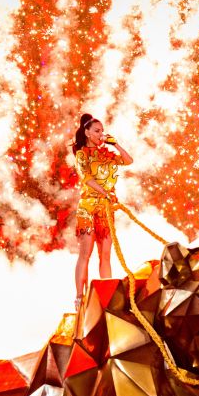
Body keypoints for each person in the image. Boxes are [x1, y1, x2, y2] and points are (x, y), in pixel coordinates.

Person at [72, 113, 133, 310]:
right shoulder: (81, 154)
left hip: (105, 208)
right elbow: (86, 178)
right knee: (86, 253)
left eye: (102, 131)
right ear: (87, 133)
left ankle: (107, 297)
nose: (101, 134)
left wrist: (115, 144)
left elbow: (128, 160)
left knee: (105, 253)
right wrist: (105, 192)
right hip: (88, 207)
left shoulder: (106, 153)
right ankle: (80, 297)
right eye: (97, 131)